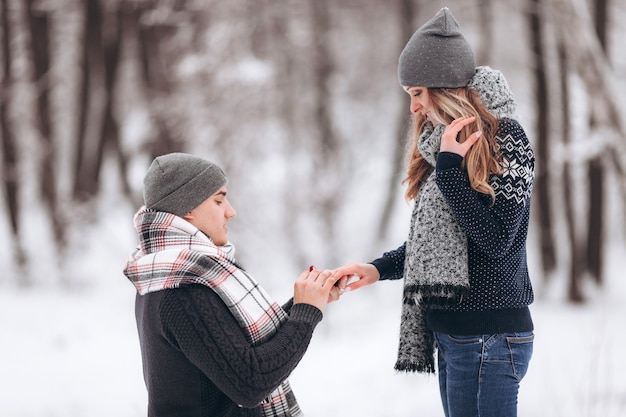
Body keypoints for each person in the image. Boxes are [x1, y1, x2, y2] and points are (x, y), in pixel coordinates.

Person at [331, 7, 535, 417]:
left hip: (490, 335)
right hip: (452, 335)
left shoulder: (507, 139)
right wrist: (377, 269)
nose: (414, 108)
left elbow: (497, 241)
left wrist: (449, 170)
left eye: (417, 94)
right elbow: (436, 245)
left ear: (444, 89)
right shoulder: (439, 146)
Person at [123, 152, 342, 417]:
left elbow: (231, 348)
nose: (231, 211)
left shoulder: (165, 274)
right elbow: (251, 383)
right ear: (187, 209)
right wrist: (305, 315)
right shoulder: (185, 288)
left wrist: (304, 302)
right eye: (219, 200)